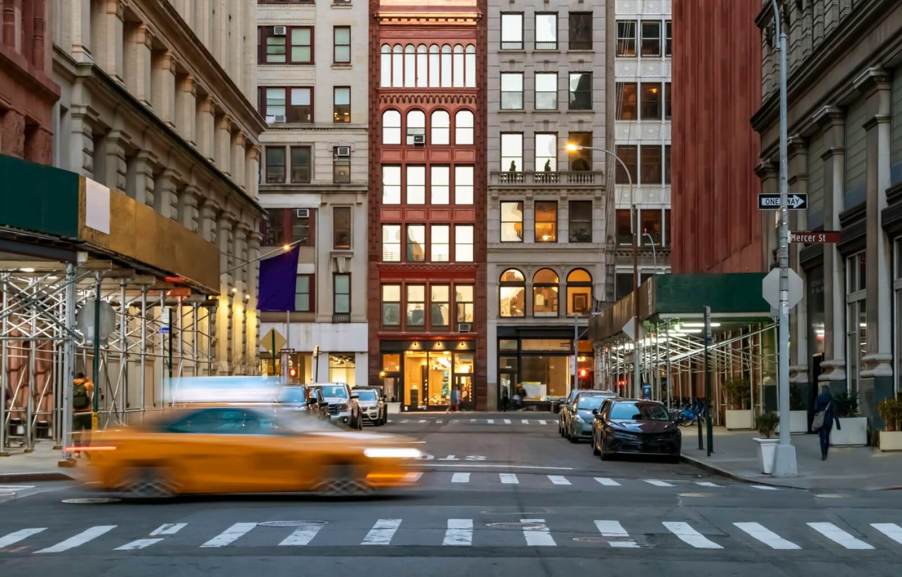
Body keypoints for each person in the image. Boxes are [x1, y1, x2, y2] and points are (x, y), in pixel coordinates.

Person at [813, 384, 841, 461]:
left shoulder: (818, 398)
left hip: (821, 421)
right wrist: (838, 424)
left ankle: (823, 454)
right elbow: (834, 411)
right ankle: (826, 452)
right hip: (829, 420)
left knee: (822, 437)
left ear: (822, 390)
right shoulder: (831, 398)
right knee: (827, 436)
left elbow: (815, 409)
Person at [72, 372, 94, 450]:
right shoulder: (86, 384)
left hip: (76, 412)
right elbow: (92, 387)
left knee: (77, 432)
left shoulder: (72, 385)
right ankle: (86, 448)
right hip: (86, 412)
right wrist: (88, 380)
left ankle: (77, 451)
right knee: (88, 431)